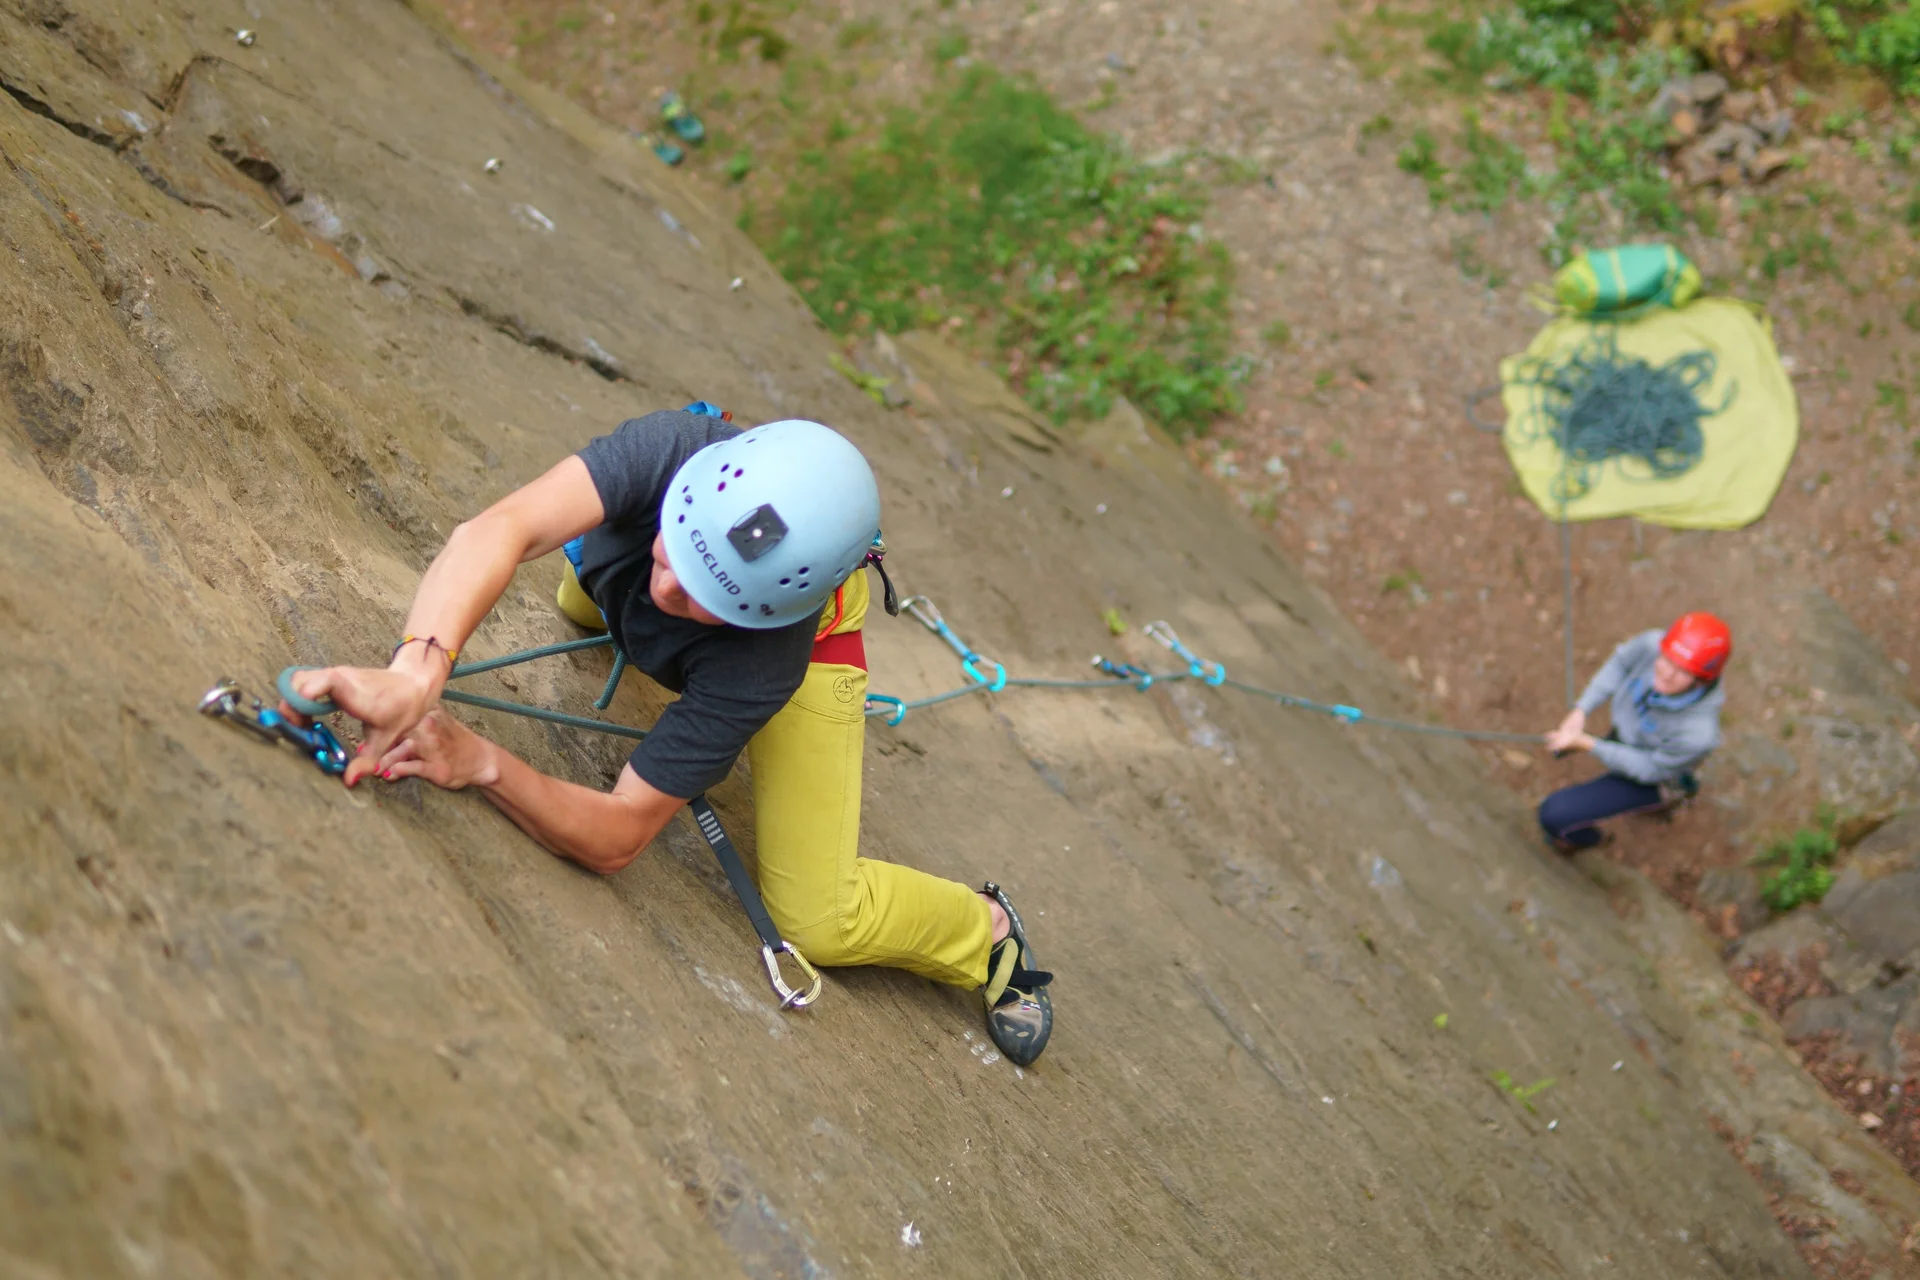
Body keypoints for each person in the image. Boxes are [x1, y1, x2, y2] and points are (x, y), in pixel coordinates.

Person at [285, 407, 1054, 1064]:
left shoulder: (766, 662)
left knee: (819, 915)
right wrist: (418, 672)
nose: (664, 588)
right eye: (674, 555)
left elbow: (618, 834)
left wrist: (481, 761)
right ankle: (643, 585)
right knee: (586, 593)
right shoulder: (676, 453)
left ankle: (982, 932)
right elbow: (501, 528)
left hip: (812, 648)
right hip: (679, 541)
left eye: (697, 596)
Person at [1538, 612, 1731, 852]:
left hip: (1654, 775)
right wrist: (1581, 710)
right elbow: (1620, 664)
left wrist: (1590, 745)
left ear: (1701, 681)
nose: (1667, 674)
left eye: (1683, 671)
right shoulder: (1652, 645)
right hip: (1630, 737)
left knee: (1554, 814)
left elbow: (1651, 770)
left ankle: (1588, 839)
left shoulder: (1698, 734)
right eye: (1667, 660)